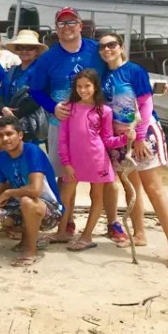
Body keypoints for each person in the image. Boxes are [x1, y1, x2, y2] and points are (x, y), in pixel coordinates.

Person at [98, 33, 168, 269]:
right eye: (102, 47)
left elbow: (145, 104)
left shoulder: (134, 71)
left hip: (142, 134)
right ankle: (139, 233)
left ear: (121, 47)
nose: (107, 49)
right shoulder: (104, 75)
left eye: (111, 45)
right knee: (131, 187)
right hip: (120, 138)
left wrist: (141, 137)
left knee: (153, 189)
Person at [28, 6, 108, 239]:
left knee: (104, 179)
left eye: (71, 22)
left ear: (81, 25)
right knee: (65, 175)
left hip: (96, 124)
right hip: (61, 124)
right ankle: (67, 221)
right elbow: (35, 90)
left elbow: (114, 72)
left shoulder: (96, 50)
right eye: (61, 24)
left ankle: (112, 222)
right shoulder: (48, 58)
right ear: (56, 29)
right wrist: (53, 107)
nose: (67, 27)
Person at [55, 69, 130, 252]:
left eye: (87, 86)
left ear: (95, 87)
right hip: (74, 162)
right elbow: (63, 139)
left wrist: (125, 139)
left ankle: (87, 236)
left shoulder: (104, 111)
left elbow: (107, 140)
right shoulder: (68, 108)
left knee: (96, 197)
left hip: (98, 160)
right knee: (65, 196)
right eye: (79, 86)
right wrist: (66, 163)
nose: (83, 90)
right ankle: (61, 232)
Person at [0, 117, 63, 267]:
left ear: (20, 135)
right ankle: (27, 236)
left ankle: (31, 250)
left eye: (9, 134)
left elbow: (35, 190)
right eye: (0, 135)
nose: (5, 139)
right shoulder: (0, 158)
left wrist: (9, 193)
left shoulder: (32, 151)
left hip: (48, 208)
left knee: (27, 201)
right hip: (20, 204)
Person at [0, 30, 48, 144]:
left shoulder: (41, 70)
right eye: (20, 48)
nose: (24, 51)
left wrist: (15, 115)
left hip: (31, 124)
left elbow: (38, 97)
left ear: (36, 51)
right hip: (11, 123)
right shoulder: (13, 70)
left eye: (29, 48)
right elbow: (0, 94)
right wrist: (3, 109)